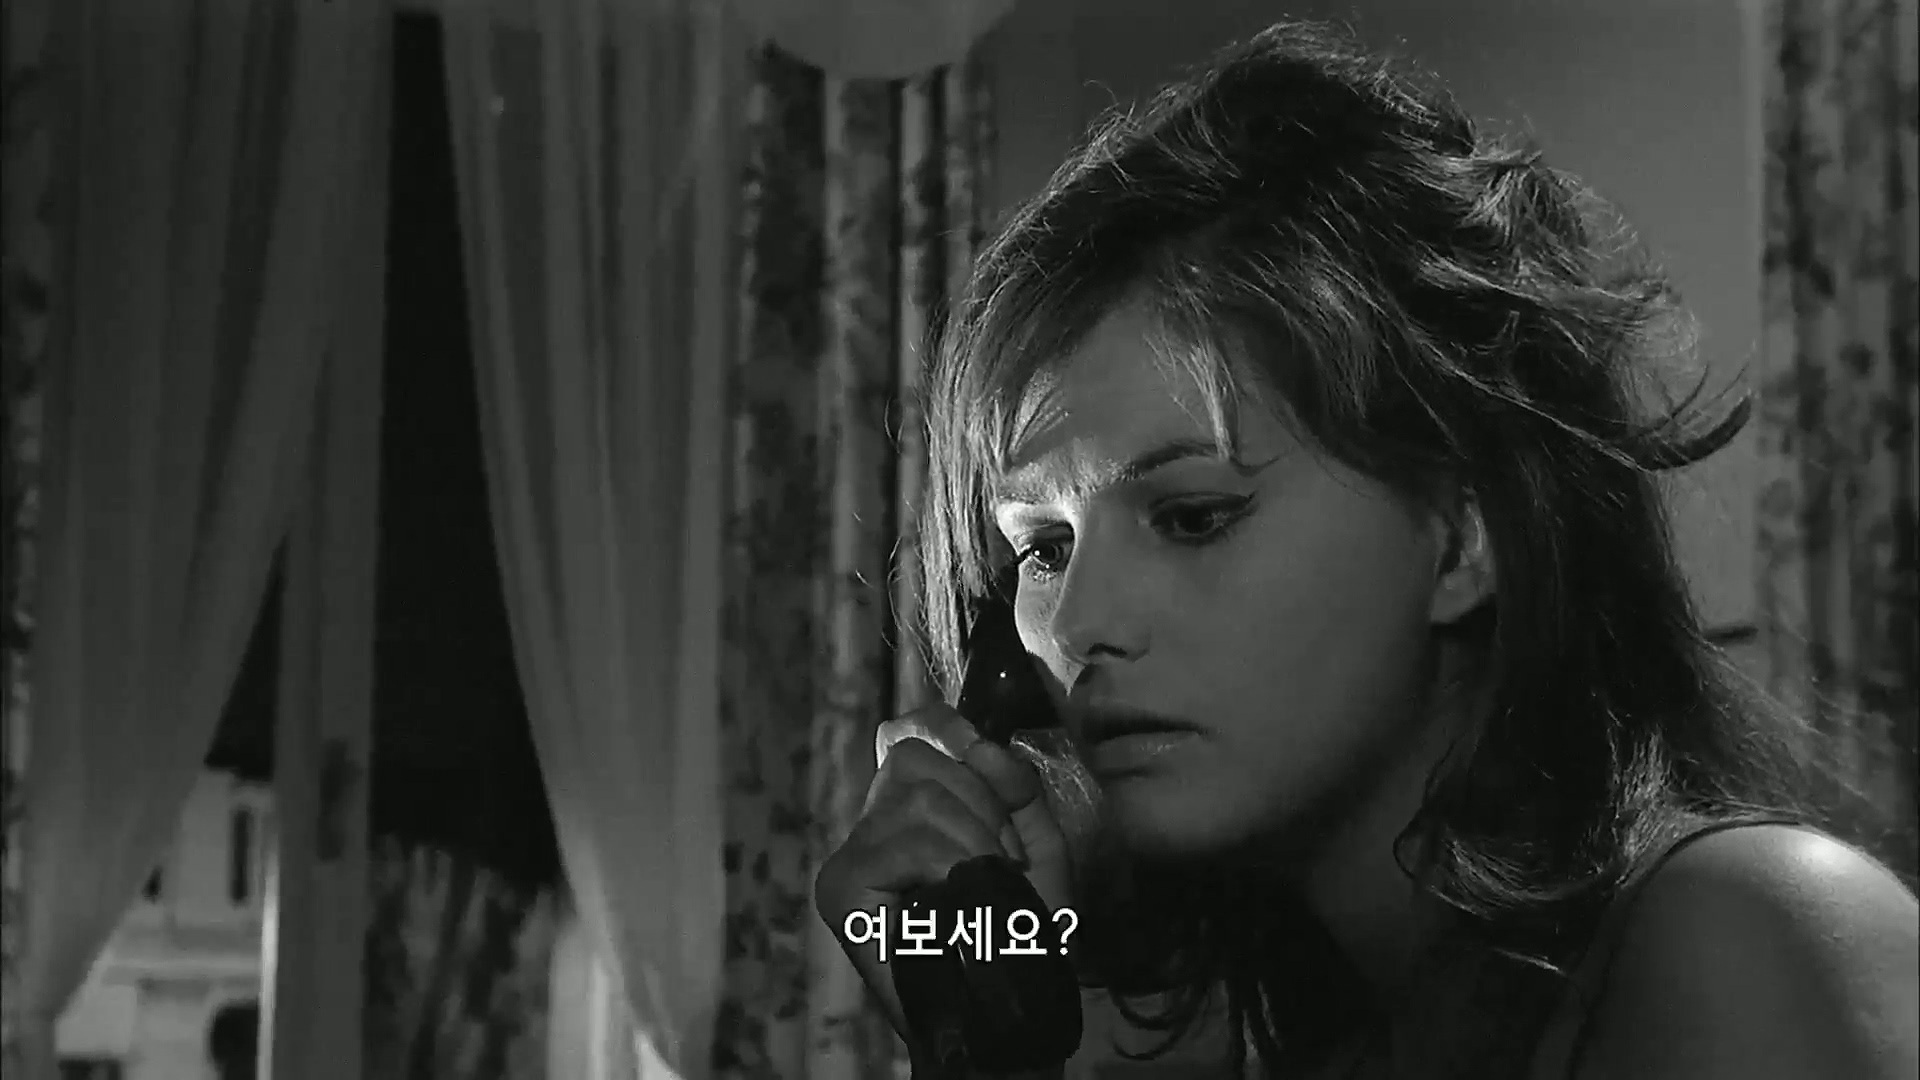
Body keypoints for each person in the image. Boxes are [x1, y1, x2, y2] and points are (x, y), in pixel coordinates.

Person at [813, 18, 1919, 1080]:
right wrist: (985, 1033)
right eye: (1045, 547)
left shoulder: (1745, 937)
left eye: (1194, 516)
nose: (1082, 621)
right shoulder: (1345, 1027)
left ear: (1463, 532)